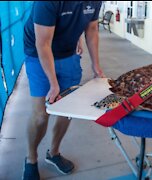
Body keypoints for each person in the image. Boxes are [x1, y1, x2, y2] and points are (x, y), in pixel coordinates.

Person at [22, 2, 105, 180]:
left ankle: (53, 152)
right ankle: (31, 159)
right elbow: (43, 43)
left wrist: (96, 66)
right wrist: (53, 84)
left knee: (68, 109)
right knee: (41, 115)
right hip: (38, 53)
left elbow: (91, 29)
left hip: (68, 54)